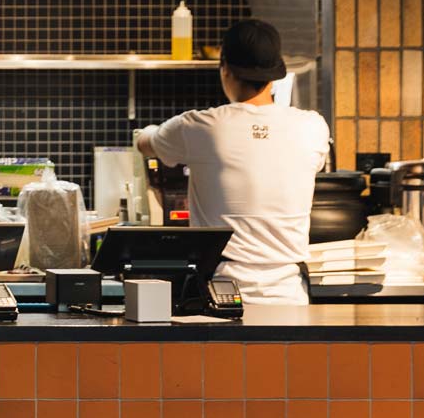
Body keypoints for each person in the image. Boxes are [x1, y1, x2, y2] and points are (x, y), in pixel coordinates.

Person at [134, 18, 329, 305]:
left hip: (222, 297)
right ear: (275, 73)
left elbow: (145, 143)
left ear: (224, 68)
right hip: (290, 297)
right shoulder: (313, 127)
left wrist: (147, 132)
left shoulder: (199, 127)